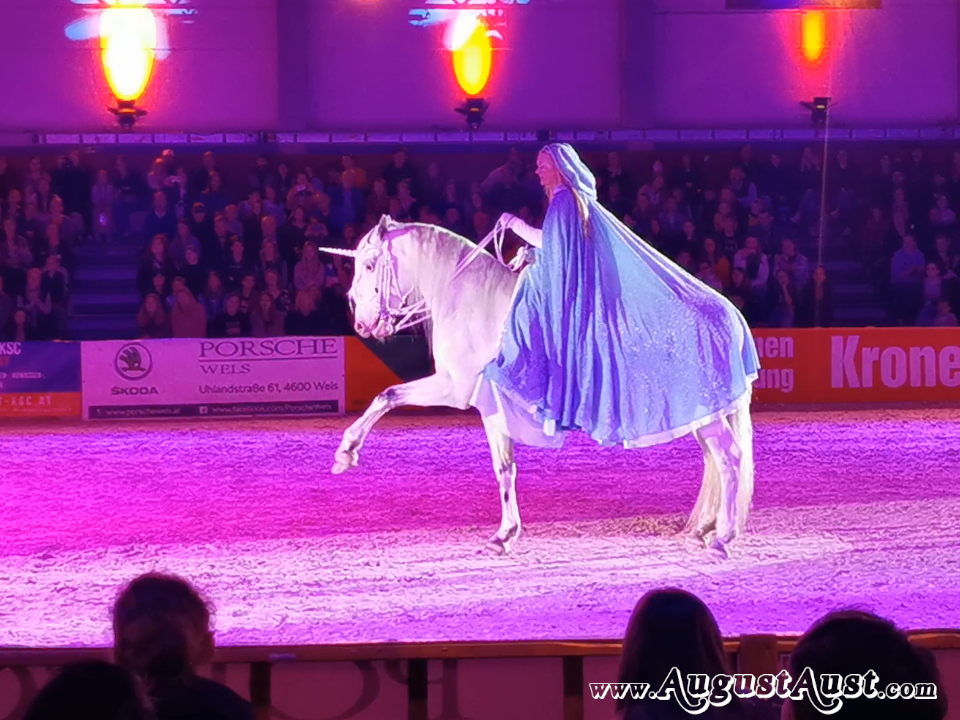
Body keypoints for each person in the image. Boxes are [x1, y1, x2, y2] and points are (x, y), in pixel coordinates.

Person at [472, 144, 759, 449]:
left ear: (560, 169)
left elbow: (554, 244)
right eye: (538, 165)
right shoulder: (571, 202)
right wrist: (531, 253)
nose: (537, 171)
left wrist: (514, 224)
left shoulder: (564, 201)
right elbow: (563, 250)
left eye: (543, 165)